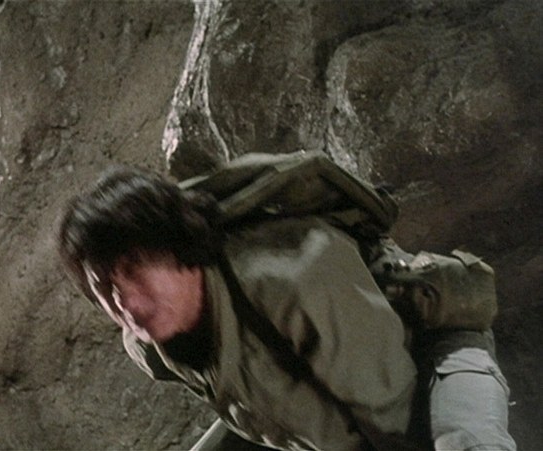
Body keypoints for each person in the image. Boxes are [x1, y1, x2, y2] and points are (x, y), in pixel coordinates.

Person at [57, 161, 516, 451]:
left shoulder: (295, 275)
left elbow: (394, 423)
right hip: (303, 406)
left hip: (424, 360)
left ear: (177, 246)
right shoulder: (149, 340)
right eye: (104, 287)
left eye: (135, 268)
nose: (124, 301)